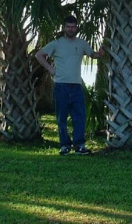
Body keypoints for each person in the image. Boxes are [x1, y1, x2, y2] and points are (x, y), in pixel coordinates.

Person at [36, 15, 105, 155]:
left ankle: (79, 145)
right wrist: (50, 69)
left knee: (79, 116)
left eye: (73, 26)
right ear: (64, 28)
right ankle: (65, 146)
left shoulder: (82, 43)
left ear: (77, 27)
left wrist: (100, 53)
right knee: (61, 117)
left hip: (77, 86)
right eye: (68, 26)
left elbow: (93, 54)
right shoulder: (56, 43)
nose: (71, 29)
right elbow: (39, 55)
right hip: (61, 86)